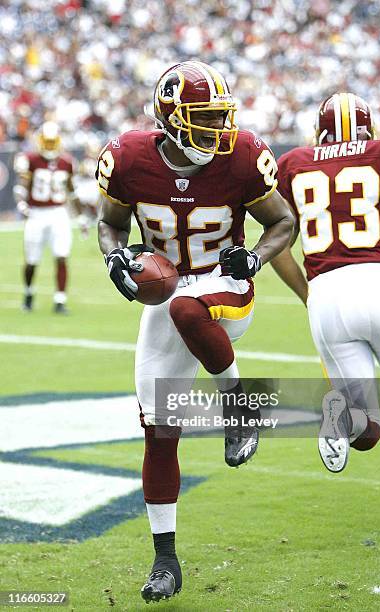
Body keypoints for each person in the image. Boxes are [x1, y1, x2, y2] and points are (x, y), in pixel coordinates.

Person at [96, 60, 294, 603]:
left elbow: (283, 222)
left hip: (223, 284)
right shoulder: (130, 159)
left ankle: (241, 407)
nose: (217, 130)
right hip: (168, 288)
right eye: (203, 118)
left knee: (188, 311)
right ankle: (166, 560)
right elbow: (109, 223)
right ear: (170, 119)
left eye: (219, 117)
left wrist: (252, 257)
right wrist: (117, 258)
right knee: (158, 427)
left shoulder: (242, 155)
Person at [271, 92, 380, 473]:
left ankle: (340, 419)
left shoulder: (294, 163)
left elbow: (278, 245)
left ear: (319, 132)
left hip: (325, 297)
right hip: (377, 284)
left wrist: (306, 294)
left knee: (367, 431)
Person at [14, 121, 87, 313]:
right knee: (31, 260)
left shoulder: (67, 162)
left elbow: (72, 192)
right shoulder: (29, 159)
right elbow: (21, 185)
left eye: (52, 142)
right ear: (40, 141)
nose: (49, 146)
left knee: (62, 256)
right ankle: (29, 293)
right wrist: (21, 203)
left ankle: (60, 300)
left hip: (59, 213)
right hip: (36, 214)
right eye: (47, 142)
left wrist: (80, 218)